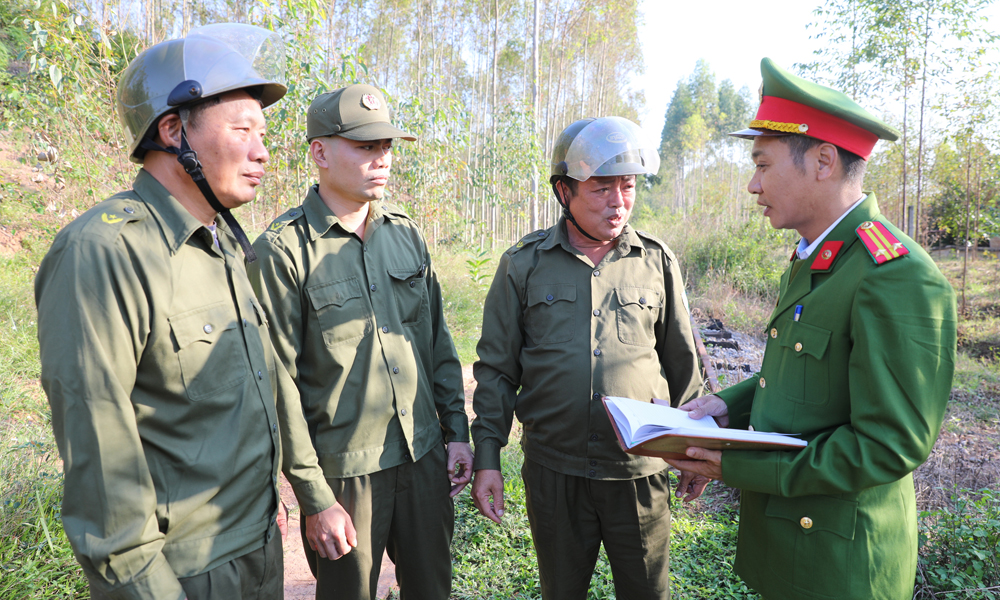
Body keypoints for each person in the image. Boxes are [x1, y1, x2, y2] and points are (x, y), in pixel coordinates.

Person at [666, 58, 957, 600]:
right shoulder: (816, 258)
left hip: (842, 564)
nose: (753, 184)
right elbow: (805, 378)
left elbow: (889, 445)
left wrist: (743, 469)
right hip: (790, 549)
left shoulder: (893, 275)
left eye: (763, 164)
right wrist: (727, 407)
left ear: (823, 161)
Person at [35, 24, 288, 600]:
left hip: (256, 550)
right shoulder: (104, 251)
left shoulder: (221, 245)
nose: (262, 152)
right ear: (173, 130)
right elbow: (101, 457)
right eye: (242, 130)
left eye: (263, 133)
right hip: (183, 574)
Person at [247, 84, 472, 600]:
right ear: (320, 153)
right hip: (345, 475)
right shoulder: (282, 252)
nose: (382, 159)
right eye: (366, 147)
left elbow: (437, 343)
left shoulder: (405, 234)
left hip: (422, 455)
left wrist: (456, 432)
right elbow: (277, 387)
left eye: (386, 146)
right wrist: (314, 496)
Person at [469, 116, 704, 599]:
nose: (618, 202)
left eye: (628, 186)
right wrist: (487, 458)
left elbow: (684, 364)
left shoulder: (656, 261)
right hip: (555, 473)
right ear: (564, 191)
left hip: (639, 471)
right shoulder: (524, 264)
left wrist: (695, 451)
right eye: (601, 188)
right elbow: (496, 372)